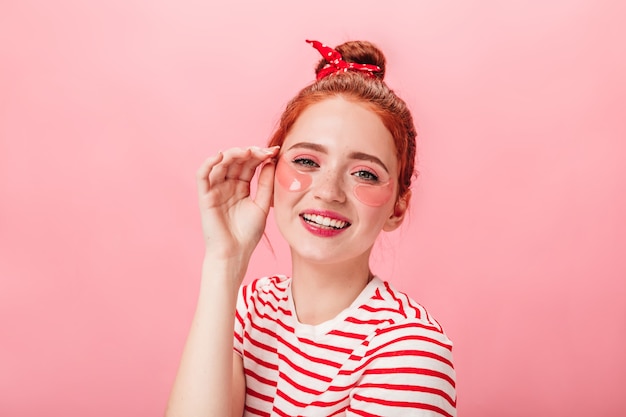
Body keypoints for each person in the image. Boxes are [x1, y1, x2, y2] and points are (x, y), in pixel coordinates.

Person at [166, 39, 456, 417]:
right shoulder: (249, 309)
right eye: (306, 161)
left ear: (397, 206)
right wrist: (225, 260)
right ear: (268, 172)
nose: (328, 192)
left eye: (365, 173)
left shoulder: (410, 349)